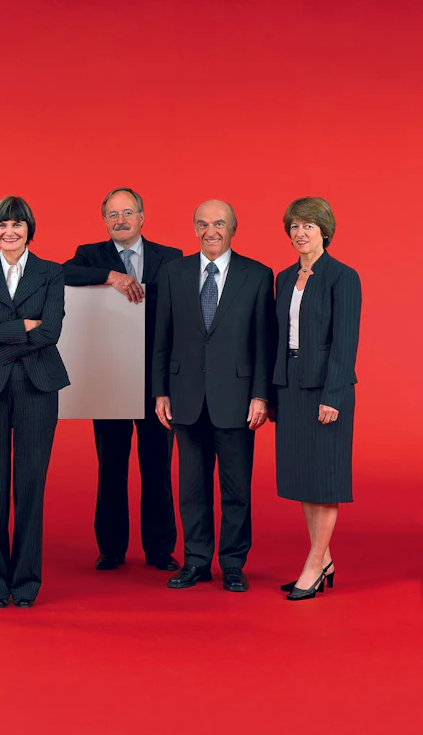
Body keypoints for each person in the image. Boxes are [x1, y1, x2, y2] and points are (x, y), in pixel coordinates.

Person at [152, 199, 275, 592]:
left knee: (236, 488)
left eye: (219, 223)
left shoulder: (257, 275)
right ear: (194, 228)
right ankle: (196, 561)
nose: (211, 231)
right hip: (185, 397)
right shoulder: (174, 273)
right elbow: (161, 339)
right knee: (191, 489)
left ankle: (234, 563)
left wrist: (261, 396)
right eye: (203, 224)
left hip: (238, 399)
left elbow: (264, 343)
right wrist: (160, 392)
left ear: (234, 228)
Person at [63, 187, 182, 572]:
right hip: (110, 378)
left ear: (142, 216)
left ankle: (160, 549)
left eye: (127, 212)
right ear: (105, 221)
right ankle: (111, 548)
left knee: (158, 468)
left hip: (156, 383)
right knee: (110, 467)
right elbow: (56, 273)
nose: (120, 220)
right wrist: (109, 275)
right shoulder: (90, 255)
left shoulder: (171, 258)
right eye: (113, 214)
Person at [0, 196, 69, 608]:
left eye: (17, 225)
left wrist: (2, 339)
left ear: (29, 229)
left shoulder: (50, 272)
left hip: (37, 387)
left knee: (30, 486)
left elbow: (52, 331)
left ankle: (25, 584)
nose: (10, 232)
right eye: (2, 226)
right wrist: (23, 327)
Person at [273, 197, 360, 601]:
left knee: (324, 479)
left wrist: (334, 395)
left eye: (308, 226)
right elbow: (279, 337)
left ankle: (313, 563)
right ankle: (323, 558)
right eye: (295, 226)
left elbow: (345, 344)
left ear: (324, 231)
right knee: (304, 477)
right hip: (290, 385)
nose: (300, 233)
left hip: (326, 389)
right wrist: (274, 388)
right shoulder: (285, 278)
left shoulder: (342, 277)